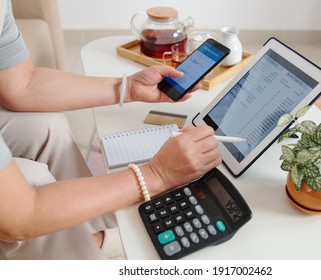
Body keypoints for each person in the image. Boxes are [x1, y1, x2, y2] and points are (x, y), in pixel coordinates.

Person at [0, 0, 221, 259]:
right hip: (19, 214)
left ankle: (92, 233)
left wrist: (127, 88)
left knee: (47, 126)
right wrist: (157, 174)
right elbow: (20, 215)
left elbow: (22, 85)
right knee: (31, 179)